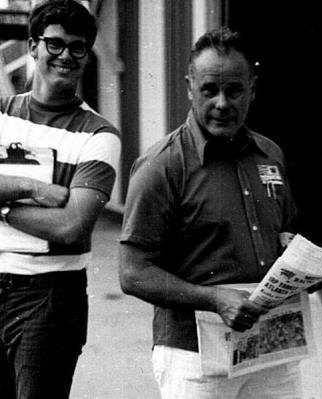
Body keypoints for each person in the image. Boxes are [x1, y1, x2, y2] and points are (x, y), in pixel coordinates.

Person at [119, 27, 304, 398]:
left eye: (234, 90)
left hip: (272, 348)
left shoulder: (271, 155)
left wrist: (308, 273)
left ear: (252, 88)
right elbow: (133, 273)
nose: (222, 103)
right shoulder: (162, 166)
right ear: (190, 88)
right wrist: (214, 299)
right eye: (209, 90)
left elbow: (284, 235)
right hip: (195, 357)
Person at [0, 0, 121, 399]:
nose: (65, 55)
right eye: (55, 43)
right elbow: (54, 212)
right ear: (33, 46)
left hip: (48, 300)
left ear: (86, 56)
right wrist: (31, 189)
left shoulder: (99, 135)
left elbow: (71, 225)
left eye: (77, 47)